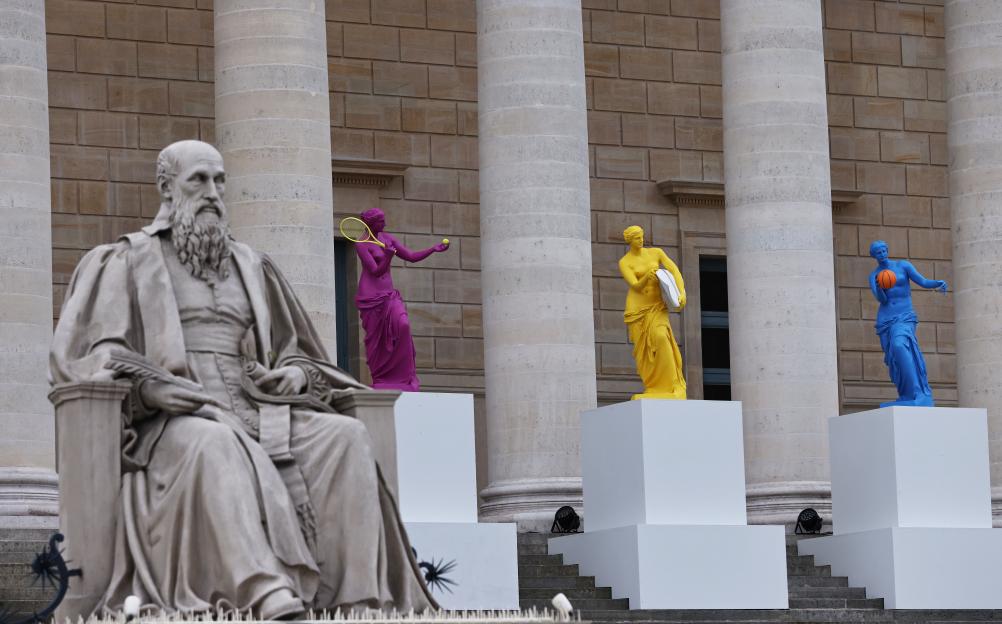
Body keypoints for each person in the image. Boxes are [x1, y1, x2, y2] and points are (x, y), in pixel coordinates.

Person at [49, 140, 436, 618]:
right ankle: (263, 591)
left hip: (258, 407)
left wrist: (295, 375)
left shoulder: (251, 266)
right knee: (215, 444)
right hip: (174, 421)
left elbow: (298, 351)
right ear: (166, 188)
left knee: (345, 438)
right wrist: (151, 390)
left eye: (219, 181)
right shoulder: (127, 261)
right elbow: (92, 355)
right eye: (198, 180)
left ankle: (357, 600)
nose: (212, 193)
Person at [354, 208, 448, 391]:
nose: (385, 224)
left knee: (403, 325)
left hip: (389, 294)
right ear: (371, 223)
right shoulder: (361, 244)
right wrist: (388, 257)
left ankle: (403, 377)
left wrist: (433, 249)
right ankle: (382, 377)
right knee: (377, 340)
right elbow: (375, 271)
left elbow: (410, 257)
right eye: (381, 221)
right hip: (371, 297)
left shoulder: (387, 238)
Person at [868, 240, 947, 407]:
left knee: (899, 345)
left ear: (887, 250)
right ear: (874, 256)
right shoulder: (874, 275)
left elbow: (923, 281)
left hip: (904, 316)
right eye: (878, 253)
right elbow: (882, 300)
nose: (882, 254)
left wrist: (937, 283)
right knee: (895, 358)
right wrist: (880, 288)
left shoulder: (903, 266)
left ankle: (917, 392)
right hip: (886, 319)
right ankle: (906, 394)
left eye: (883, 251)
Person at [618, 225, 687, 399]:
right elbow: (635, 286)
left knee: (662, 337)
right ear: (630, 241)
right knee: (644, 352)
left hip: (657, 306)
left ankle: (673, 385)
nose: (641, 240)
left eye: (642, 237)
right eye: (637, 238)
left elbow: (673, 270)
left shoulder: (656, 252)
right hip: (637, 310)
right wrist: (646, 277)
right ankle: (653, 387)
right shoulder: (625, 262)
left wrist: (682, 292)